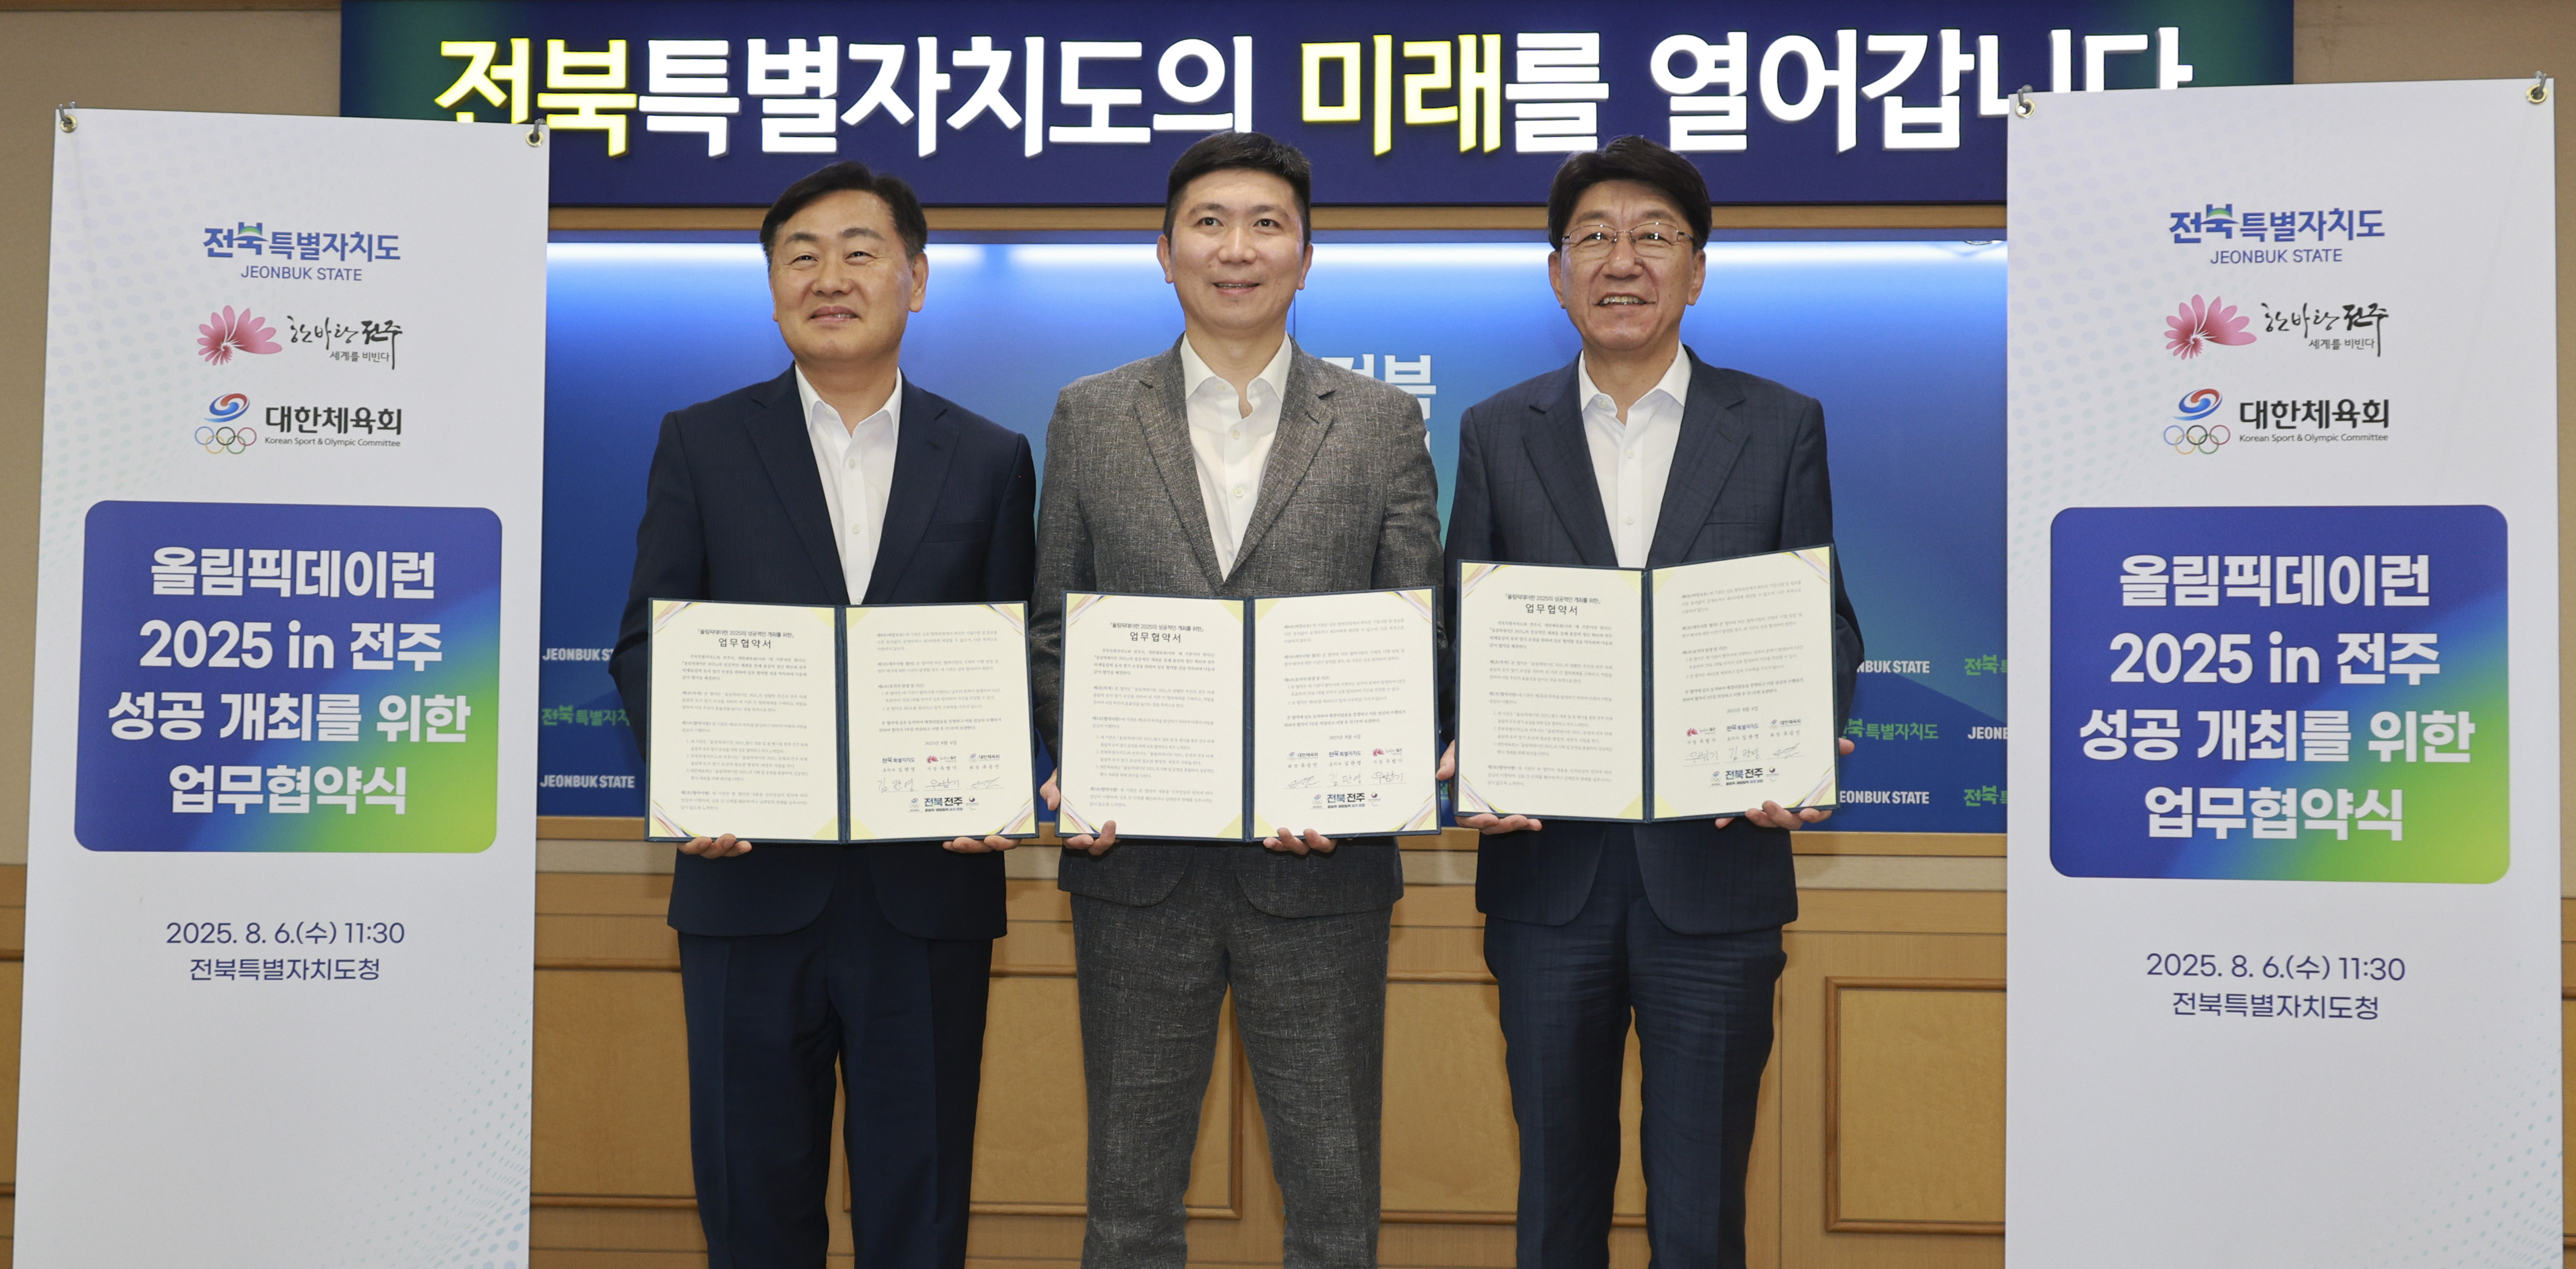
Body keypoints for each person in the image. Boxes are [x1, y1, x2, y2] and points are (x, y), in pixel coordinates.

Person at [1008, 131, 1440, 1269]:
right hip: (1135, 868)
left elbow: (1417, 629)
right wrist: (1080, 755)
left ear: (1307, 255)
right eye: (1208, 223)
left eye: (1265, 224)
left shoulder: (1381, 421)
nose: (1235, 249)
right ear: (1164, 252)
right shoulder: (1091, 414)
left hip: (1324, 870)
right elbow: (1052, 624)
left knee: (1334, 1205)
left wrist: (1361, 783)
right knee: (1129, 1205)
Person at [1440, 136, 1863, 1269]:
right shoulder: (1496, 430)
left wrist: (1801, 736)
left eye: (1654, 236)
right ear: (1556, 272)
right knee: (1556, 1200)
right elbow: (1460, 628)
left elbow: (1822, 620)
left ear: (1697, 268)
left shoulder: (1779, 423)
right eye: (1593, 237)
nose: (1622, 260)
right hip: (1547, 876)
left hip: (1718, 872)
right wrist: (1463, 741)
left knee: (1701, 1208)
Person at [608, 160, 1036, 1269]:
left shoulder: (990, 457)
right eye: (801, 255)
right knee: (752, 1204)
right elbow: (647, 642)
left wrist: (1005, 776)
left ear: (916, 280)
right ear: (772, 288)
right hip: (747, 879)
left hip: (927, 890)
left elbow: (1014, 652)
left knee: (919, 1206)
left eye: (859, 251)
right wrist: (691, 782)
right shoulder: (702, 441)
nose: (829, 277)